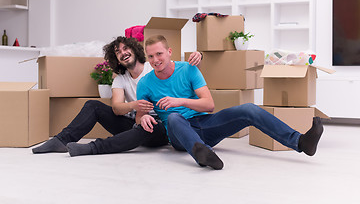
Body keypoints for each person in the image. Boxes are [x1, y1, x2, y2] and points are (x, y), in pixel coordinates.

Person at [136, 35, 324, 170]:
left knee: (249, 109)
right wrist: (142, 118)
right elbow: (139, 116)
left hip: (205, 125)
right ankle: (203, 154)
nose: (155, 60)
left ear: (169, 52)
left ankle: (300, 142)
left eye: (159, 54)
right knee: (175, 118)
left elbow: (209, 105)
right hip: (180, 135)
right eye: (150, 56)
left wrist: (179, 101)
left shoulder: (188, 69)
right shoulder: (145, 83)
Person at [32, 36, 202, 156]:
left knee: (146, 125)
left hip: (160, 126)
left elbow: (178, 69)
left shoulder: (153, 66)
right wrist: (134, 105)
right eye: (118, 52)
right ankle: (61, 140)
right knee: (93, 105)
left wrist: (198, 56)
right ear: (117, 59)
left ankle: (93, 148)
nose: (123, 53)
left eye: (125, 48)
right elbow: (117, 108)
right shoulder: (120, 79)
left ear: (135, 50)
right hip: (135, 121)